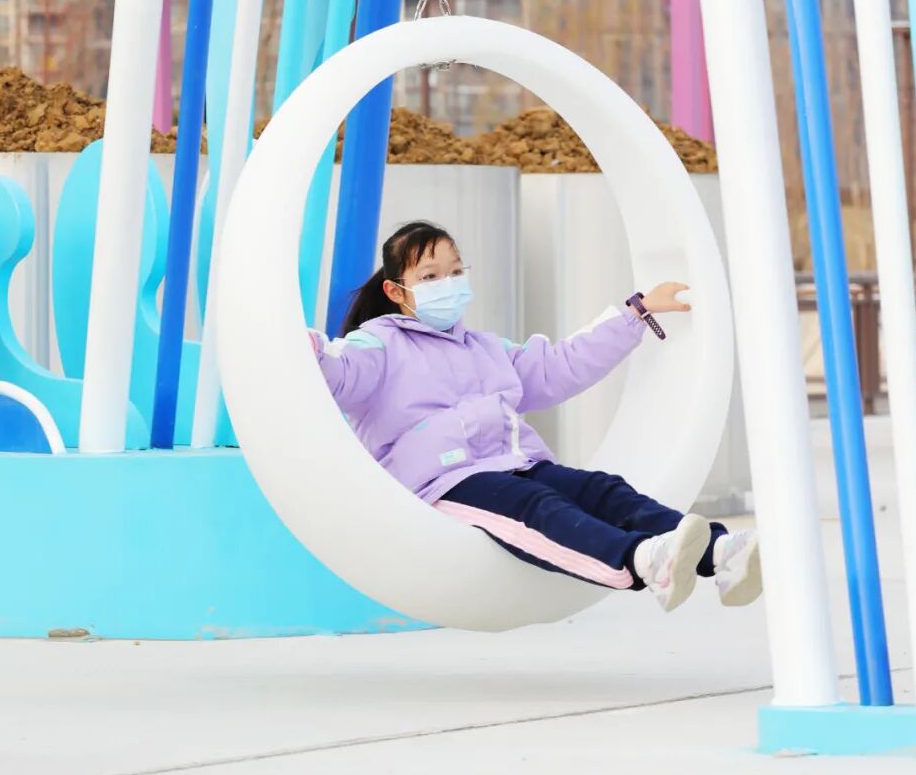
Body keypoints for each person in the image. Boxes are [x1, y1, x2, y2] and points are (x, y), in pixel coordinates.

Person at [310, 220, 761, 613]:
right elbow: (341, 371)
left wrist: (636, 314)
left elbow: (559, 366)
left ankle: (721, 553)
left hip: (515, 462)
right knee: (538, 508)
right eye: (430, 276)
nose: (446, 284)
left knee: (602, 489)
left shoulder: (485, 348)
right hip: (442, 482)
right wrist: (304, 347)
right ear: (396, 291)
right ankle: (641, 559)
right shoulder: (378, 345)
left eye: (455, 272)